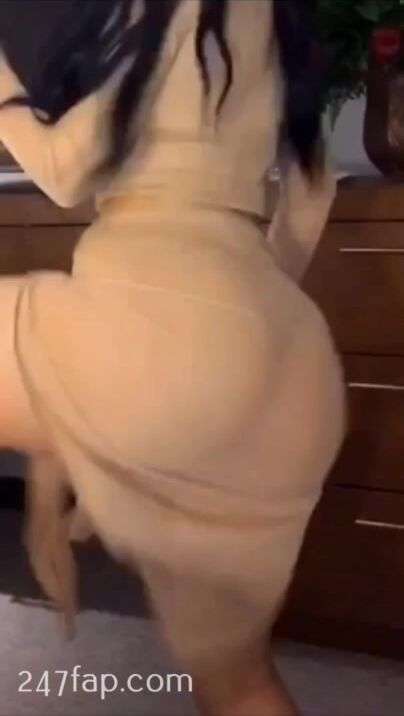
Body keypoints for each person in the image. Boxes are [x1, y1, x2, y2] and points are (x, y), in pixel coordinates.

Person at [0, 1, 345, 714]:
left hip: (157, 327)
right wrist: (233, 340)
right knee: (239, 686)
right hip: (286, 354)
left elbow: (65, 171)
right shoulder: (274, 19)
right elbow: (312, 192)